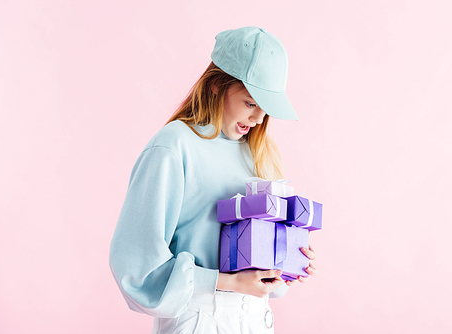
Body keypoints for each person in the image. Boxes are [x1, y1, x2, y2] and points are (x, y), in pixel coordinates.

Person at [109, 26, 316, 334]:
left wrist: (286, 262)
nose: (258, 119)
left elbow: (266, 280)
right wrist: (227, 281)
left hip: (256, 320)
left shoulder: (260, 153)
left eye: (266, 109)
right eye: (250, 103)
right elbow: (136, 268)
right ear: (217, 85)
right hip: (199, 319)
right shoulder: (173, 146)